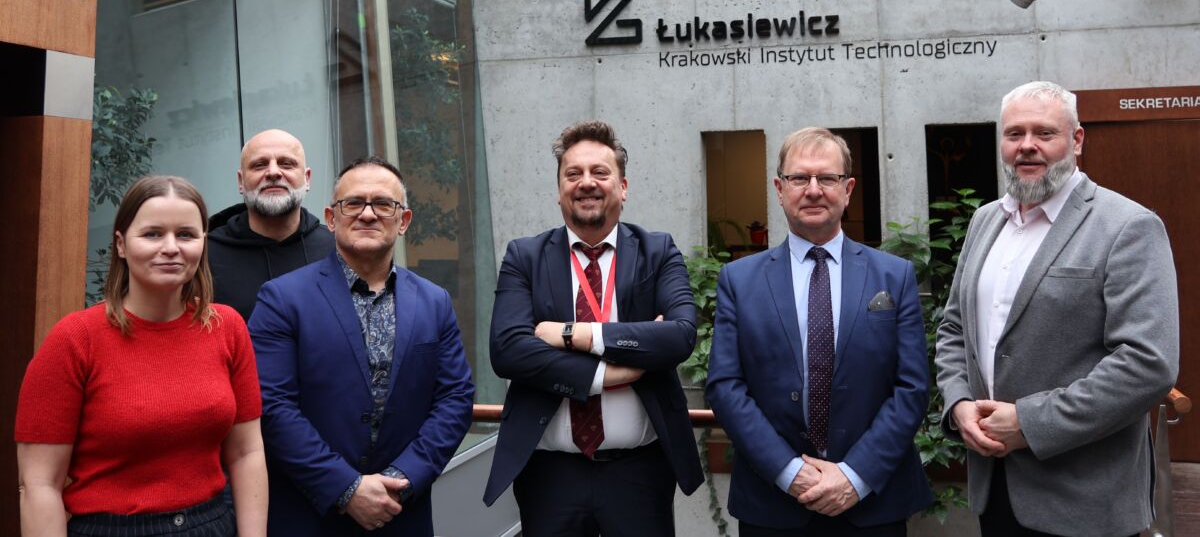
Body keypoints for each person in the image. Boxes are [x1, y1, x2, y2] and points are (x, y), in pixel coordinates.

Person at [935, 81, 1179, 537]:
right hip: (995, 488)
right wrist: (959, 402)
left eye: (1044, 133)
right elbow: (954, 327)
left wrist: (1030, 423)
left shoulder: (1128, 226)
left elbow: (1148, 363)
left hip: (1085, 498)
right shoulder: (985, 220)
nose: (1027, 146)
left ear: (1077, 140)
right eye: (1014, 133)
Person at [707, 127, 931, 536]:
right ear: (779, 189)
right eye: (799, 178)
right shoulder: (738, 280)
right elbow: (725, 387)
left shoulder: (894, 276)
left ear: (848, 189)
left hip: (871, 505)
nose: (813, 190)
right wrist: (789, 471)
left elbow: (911, 387)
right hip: (773, 505)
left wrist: (855, 476)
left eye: (827, 178)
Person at [483, 119, 703, 536]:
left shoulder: (657, 251)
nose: (586, 182)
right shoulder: (525, 257)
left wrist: (574, 334)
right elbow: (508, 350)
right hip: (550, 476)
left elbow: (679, 336)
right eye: (573, 174)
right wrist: (608, 375)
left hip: (640, 474)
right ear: (559, 190)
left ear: (623, 186)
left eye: (600, 172)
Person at [15, 175, 267, 537]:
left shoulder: (227, 328)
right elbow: (40, 484)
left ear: (203, 243)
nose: (171, 247)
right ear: (121, 244)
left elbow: (246, 453)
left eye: (186, 234)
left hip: (211, 525)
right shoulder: (74, 340)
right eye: (152, 234)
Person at [249, 156, 474, 536]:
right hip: (310, 515)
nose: (367, 214)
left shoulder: (434, 301)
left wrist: (403, 478)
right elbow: (272, 405)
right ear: (331, 218)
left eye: (383, 204)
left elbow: (455, 397)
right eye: (353, 203)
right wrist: (346, 488)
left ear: (403, 221)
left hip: (402, 513)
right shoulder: (282, 299)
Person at [209, 129, 333, 320]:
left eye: (286, 164)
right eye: (259, 165)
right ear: (241, 182)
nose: (273, 172)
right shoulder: (205, 257)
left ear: (307, 178)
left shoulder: (336, 249)